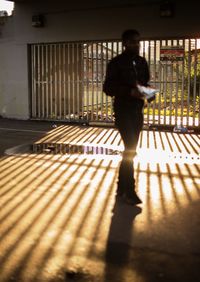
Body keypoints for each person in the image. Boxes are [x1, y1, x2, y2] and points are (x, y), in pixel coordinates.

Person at [103, 29, 154, 205]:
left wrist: (148, 92)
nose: (136, 45)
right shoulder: (116, 63)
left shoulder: (141, 62)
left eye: (138, 41)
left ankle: (120, 186)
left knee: (129, 150)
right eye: (132, 42)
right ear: (124, 43)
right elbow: (108, 88)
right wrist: (129, 92)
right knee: (131, 148)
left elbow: (144, 83)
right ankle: (129, 191)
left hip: (137, 111)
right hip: (123, 110)